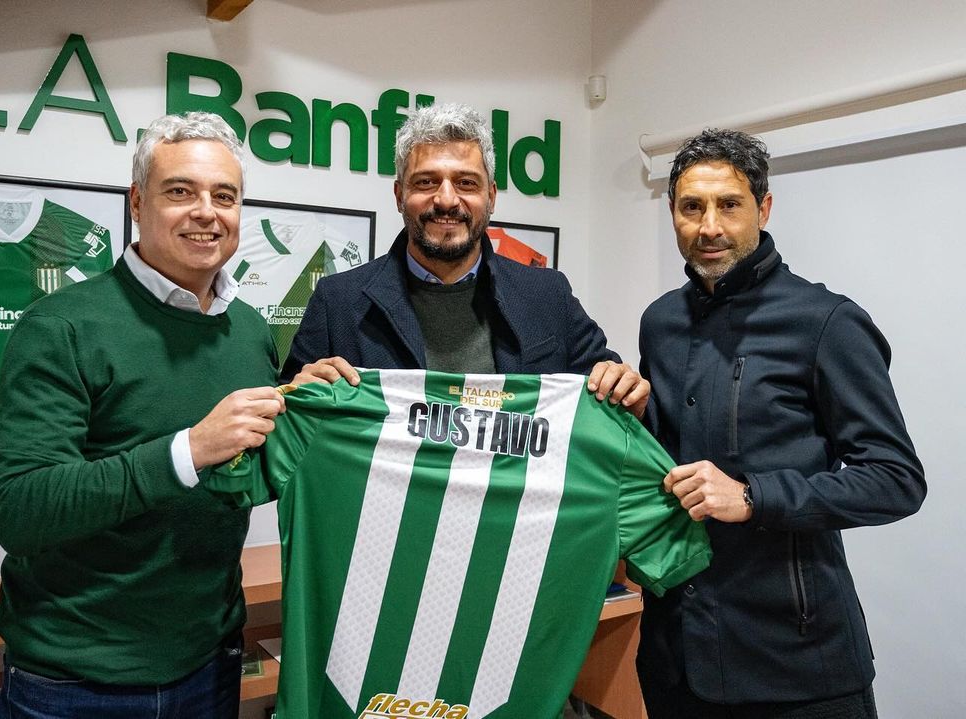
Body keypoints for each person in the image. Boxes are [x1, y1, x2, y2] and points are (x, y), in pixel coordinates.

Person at [0, 112, 285, 718]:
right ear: (137, 202)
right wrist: (188, 451)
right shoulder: (62, 326)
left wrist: (303, 411)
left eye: (224, 196)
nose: (207, 212)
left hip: (210, 661)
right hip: (75, 680)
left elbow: (244, 476)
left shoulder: (251, 330)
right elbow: (21, 510)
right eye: (181, 192)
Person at [636, 128, 926, 718]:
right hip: (676, 659)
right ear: (672, 212)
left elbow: (896, 479)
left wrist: (752, 496)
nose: (709, 226)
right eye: (692, 207)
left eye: (729, 205)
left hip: (795, 666)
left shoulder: (826, 322)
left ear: (763, 208)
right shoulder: (660, 322)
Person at [282, 103, 648, 413]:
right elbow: (290, 420)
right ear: (398, 195)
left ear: (491, 196)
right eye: (425, 182)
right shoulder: (338, 301)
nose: (446, 200)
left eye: (466, 183)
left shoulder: (547, 294)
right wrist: (297, 397)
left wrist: (626, 390)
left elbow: (612, 401)